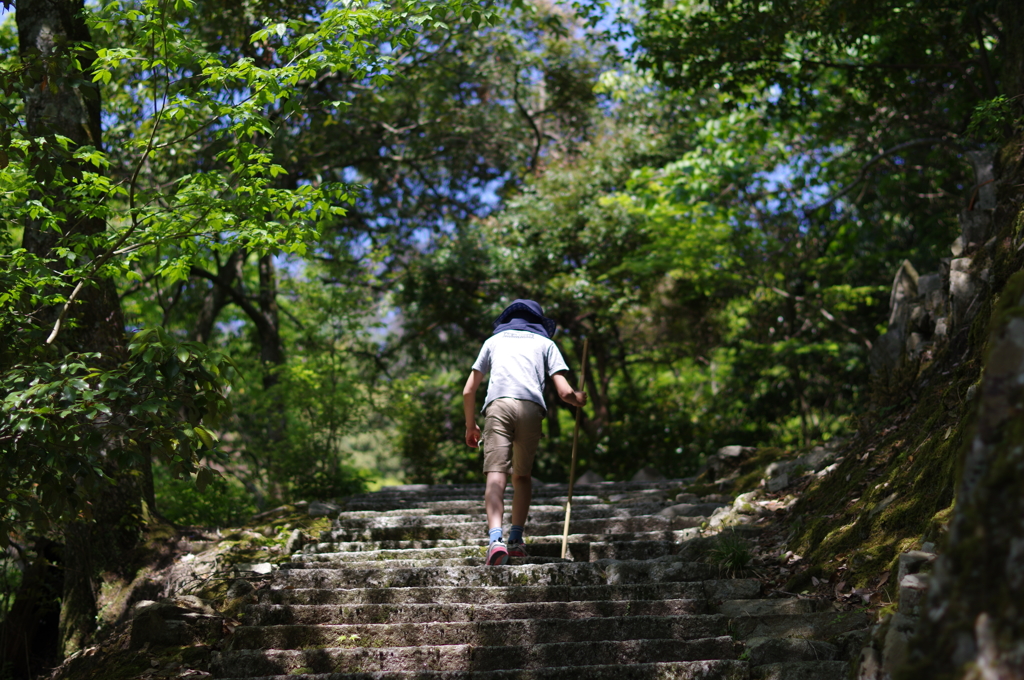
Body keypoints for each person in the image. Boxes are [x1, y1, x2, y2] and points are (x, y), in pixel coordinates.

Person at [463, 299, 586, 566]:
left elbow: (468, 390)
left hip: (499, 407)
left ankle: (496, 541)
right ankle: (516, 541)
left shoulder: (493, 342)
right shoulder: (546, 344)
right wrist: (578, 398)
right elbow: (564, 393)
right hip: (531, 410)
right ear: (539, 322)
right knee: (522, 476)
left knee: (496, 476)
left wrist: (470, 425)